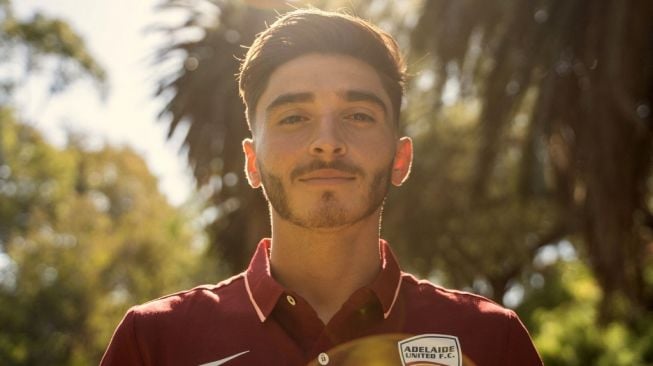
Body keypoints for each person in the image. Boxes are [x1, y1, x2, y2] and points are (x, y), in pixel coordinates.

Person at [101, 8, 543, 366]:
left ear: (400, 158)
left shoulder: (491, 341)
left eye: (358, 116)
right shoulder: (155, 342)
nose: (327, 142)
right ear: (252, 162)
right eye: (294, 117)